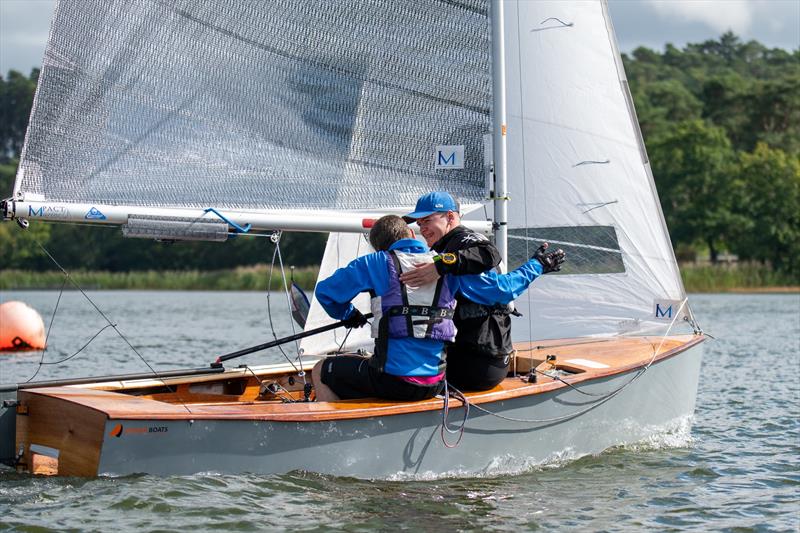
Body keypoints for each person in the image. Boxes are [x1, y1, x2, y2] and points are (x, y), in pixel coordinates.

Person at [311, 214, 562, 402]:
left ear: (379, 247)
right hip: (435, 382)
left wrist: (348, 315)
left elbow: (326, 293)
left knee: (322, 370)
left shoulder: (375, 262)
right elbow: (501, 290)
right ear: (411, 235)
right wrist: (537, 265)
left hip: (392, 381)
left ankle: (330, 433)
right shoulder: (447, 266)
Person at [401, 191, 565, 391]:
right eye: (419, 224)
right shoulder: (448, 249)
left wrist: (441, 265)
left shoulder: (462, 246)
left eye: (427, 220)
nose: (422, 228)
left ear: (450, 217)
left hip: (478, 364)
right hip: (475, 357)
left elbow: (493, 265)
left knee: (399, 378)